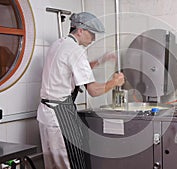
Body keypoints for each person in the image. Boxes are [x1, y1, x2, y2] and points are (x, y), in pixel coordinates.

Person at [37, 12, 125, 169]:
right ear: (80, 30)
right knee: (71, 163)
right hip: (60, 114)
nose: (93, 39)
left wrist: (100, 61)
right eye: (92, 34)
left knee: (52, 165)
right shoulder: (76, 51)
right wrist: (114, 82)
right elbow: (94, 90)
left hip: (45, 114)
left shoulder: (59, 44)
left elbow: (71, 69)